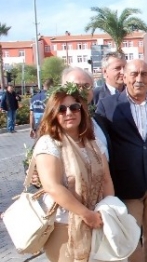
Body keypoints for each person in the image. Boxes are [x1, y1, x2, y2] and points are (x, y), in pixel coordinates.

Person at [95, 59, 147, 262]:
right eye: (134, 74)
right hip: (126, 184)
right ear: (125, 76)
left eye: (144, 74)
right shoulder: (108, 106)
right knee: (131, 238)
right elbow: (103, 146)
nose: (139, 79)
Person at [33, 82, 115, 261]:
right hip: (64, 224)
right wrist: (86, 214)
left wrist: (108, 210)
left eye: (74, 107)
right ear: (53, 114)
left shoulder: (93, 143)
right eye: (61, 109)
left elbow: (106, 180)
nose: (69, 113)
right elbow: (52, 186)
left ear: (82, 110)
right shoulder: (49, 143)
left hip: (97, 219)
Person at [62, 67, 110, 160]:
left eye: (86, 86)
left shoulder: (99, 120)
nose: (81, 90)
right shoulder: (57, 120)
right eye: (75, 86)